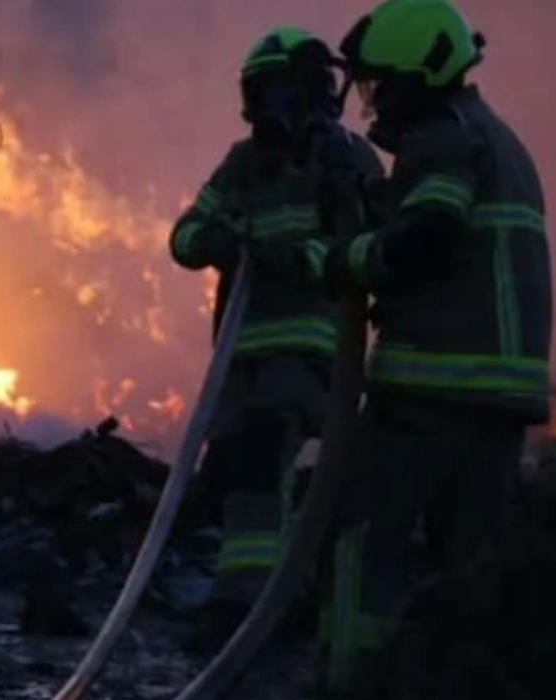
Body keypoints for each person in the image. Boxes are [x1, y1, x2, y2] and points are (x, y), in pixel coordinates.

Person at [318, 0, 552, 697]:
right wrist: (366, 190)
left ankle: (347, 686)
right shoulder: (492, 138)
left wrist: (333, 259)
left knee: (360, 548)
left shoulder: (442, 138)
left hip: (429, 392)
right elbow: (429, 214)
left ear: (424, 73)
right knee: (474, 571)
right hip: (498, 398)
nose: (373, 100)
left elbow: (426, 239)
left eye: (381, 83)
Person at [159, 26, 383, 650]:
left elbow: (366, 246)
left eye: (279, 92)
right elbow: (184, 233)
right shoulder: (243, 163)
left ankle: (252, 605)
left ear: (313, 92)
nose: (267, 109)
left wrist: (302, 256)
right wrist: (214, 241)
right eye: (259, 94)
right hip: (241, 356)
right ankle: (253, 598)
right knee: (237, 469)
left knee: (261, 453)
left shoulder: (347, 160)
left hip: (313, 352)